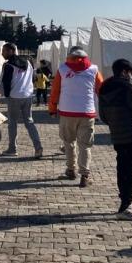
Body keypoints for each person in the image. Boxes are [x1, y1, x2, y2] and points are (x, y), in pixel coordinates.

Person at [49, 46, 104, 187]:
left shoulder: (62, 69)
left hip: (67, 112)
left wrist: (52, 108)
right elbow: (101, 90)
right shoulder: (94, 69)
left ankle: (71, 169)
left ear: (69, 56)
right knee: (85, 145)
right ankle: (84, 175)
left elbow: (55, 91)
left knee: (69, 142)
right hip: (87, 113)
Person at [98, 59, 132, 220]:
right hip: (131, 132)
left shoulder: (104, 87)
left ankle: (126, 201)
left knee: (122, 167)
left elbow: (103, 116)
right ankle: (125, 205)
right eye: (130, 73)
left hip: (116, 133)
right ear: (125, 72)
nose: (131, 76)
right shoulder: (128, 87)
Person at [0, 43, 43, 159]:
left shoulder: (8, 65)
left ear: (11, 51)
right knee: (29, 122)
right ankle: (38, 147)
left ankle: (12, 149)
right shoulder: (28, 62)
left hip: (14, 97)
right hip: (28, 95)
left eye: (4, 51)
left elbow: (6, 82)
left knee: (12, 123)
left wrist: (6, 96)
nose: (2, 54)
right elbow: (33, 78)